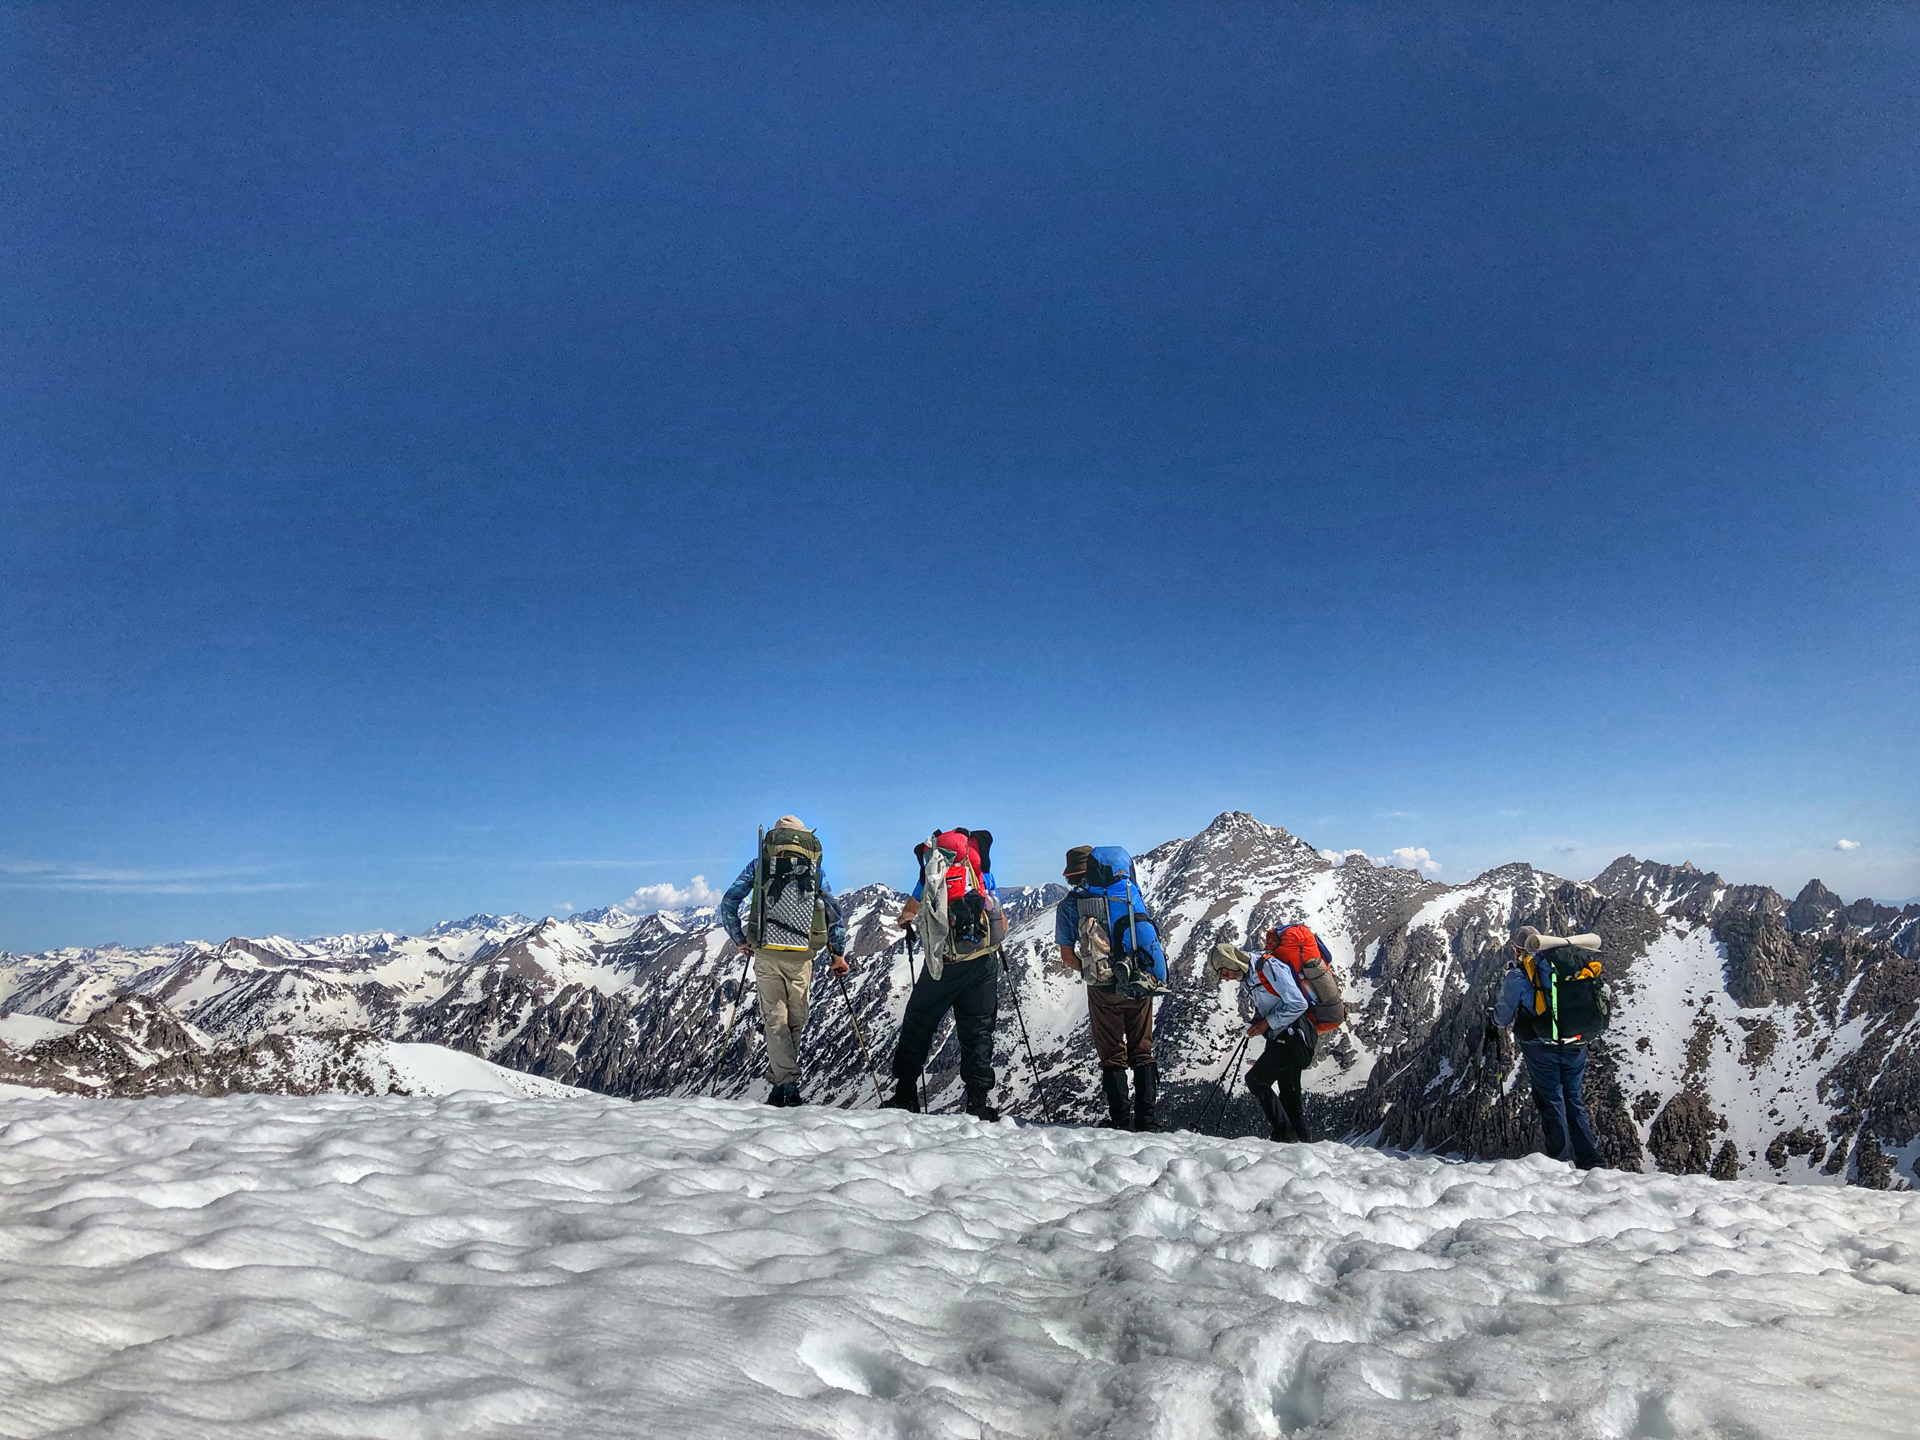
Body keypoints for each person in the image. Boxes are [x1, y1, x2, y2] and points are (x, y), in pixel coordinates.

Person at [717, 816, 849, 1107]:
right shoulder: (815, 869)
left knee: (775, 1019)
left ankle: (783, 1084)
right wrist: (837, 953)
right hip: (802, 955)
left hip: (766, 950)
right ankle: (788, 1084)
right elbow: (833, 912)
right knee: (795, 1020)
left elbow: (728, 903)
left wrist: (740, 939)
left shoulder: (759, 865)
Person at [886, 827, 1004, 1120]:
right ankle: (977, 1102)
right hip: (982, 961)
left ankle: (905, 1094)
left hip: (945, 963)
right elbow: (994, 905)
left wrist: (907, 921)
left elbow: (910, 910)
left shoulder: (932, 869)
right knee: (978, 1030)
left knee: (919, 1022)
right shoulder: (978, 868)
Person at [1054, 845, 1169, 1132]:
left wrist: (1092, 971)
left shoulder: (1069, 906)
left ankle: (1121, 1122)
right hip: (1138, 981)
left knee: (1112, 1054)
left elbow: (1068, 957)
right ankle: (1148, 1121)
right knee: (1143, 1049)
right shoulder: (1127, 895)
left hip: (1103, 987)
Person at [1493, 925, 1605, 1169]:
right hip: (1576, 1042)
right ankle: (1590, 1160)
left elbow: (1503, 1016)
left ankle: (1560, 1160)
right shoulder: (1565, 965)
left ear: (1518, 948)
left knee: (1551, 1099)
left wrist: (1493, 1019)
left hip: (1541, 1046)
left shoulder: (1520, 975)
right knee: (1574, 1099)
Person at [1240, 927, 1320, 1142]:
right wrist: (1261, 1018)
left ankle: (1284, 1134)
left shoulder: (1270, 966)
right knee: (1290, 1095)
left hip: (1289, 1036)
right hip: (1296, 1037)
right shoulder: (1265, 969)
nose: (1226, 977)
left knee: (1256, 1079)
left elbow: (1297, 1004)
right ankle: (1303, 1145)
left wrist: (1266, 1023)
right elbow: (1275, 1001)